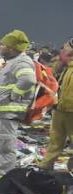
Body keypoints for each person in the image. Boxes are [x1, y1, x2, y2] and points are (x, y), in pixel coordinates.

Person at [0, 30, 36, 178]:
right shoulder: (12, 62)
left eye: (3, 45)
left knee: (4, 147)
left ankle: (2, 179)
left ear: (12, 48)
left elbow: (28, 80)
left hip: (7, 112)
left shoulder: (22, 62)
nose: (0, 47)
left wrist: (15, 94)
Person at [40, 39, 73, 171]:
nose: (63, 52)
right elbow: (51, 74)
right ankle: (45, 168)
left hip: (70, 111)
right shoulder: (66, 67)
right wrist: (61, 60)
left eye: (66, 50)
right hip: (60, 110)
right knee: (55, 141)